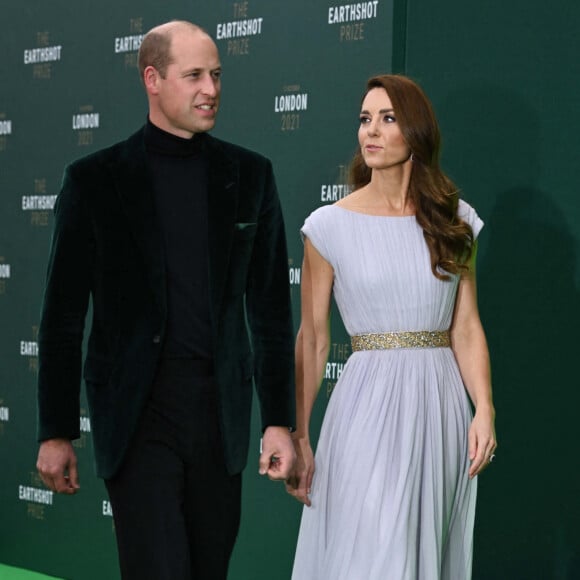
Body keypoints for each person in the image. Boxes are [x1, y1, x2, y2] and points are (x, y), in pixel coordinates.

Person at [35, 20, 295, 580]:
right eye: (195, 75)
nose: (211, 89)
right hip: (137, 415)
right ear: (152, 79)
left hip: (218, 415)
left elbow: (270, 311)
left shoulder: (250, 175)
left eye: (217, 75)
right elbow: (61, 317)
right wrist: (56, 431)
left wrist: (279, 421)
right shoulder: (94, 180)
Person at [285, 74, 497, 579]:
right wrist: (300, 432)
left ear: (416, 132)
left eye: (387, 119)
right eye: (364, 119)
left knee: (423, 553)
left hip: (440, 404)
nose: (371, 132)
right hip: (365, 407)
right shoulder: (329, 226)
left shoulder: (454, 220)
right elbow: (313, 338)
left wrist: (483, 409)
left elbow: (465, 326)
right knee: (374, 556)